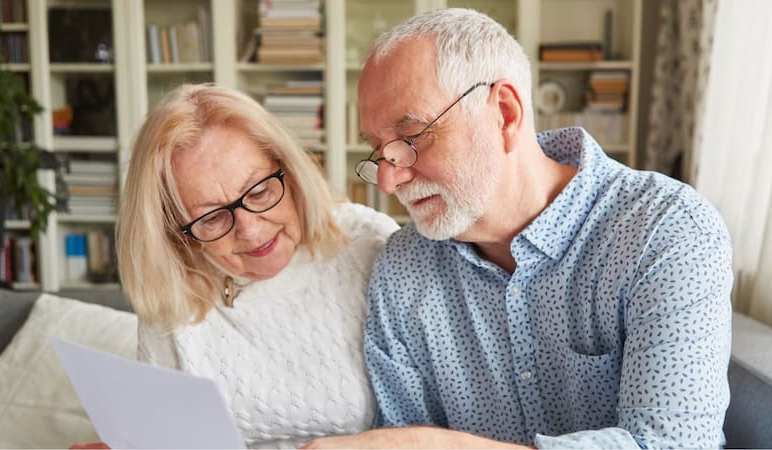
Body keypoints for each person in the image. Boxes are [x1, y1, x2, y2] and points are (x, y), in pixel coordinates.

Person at [304, 8, 732, 450]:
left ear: (505, 114)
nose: (388, 180)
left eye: (411, 139)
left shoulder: (665, 231)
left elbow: (674, 445)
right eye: (379, 150)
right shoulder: (403, 267)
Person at [74, 83, 399, 449]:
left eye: (259, 192)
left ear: (290, 172)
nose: (250, 230)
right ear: (177, 232)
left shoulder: (367, 246)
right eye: (212, 217)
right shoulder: (175, 292)